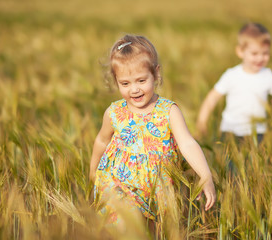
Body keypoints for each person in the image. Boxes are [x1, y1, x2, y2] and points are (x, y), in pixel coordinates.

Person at [89, 34, 216, 224]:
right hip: (118, 185)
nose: (134, 90)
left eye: (141, 81)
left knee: (157, 229)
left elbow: (187, 143)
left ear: (156, 74)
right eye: (125, 83)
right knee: (126, 227)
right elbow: (102, 140)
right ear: (116, 81)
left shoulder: (168, 111)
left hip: (159, 188)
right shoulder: (114, 112)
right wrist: (93, 171)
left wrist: (205, 175)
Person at [197, 22, 272, 143]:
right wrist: (202, 122)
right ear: (240, 51)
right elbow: (212, 98)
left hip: (258, 131)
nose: (260, 58)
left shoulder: (268, 75)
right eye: (254, 53)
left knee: (255, 162)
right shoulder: (231, 75)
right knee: (230, 161)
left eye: (265, 53)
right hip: (230, 131)